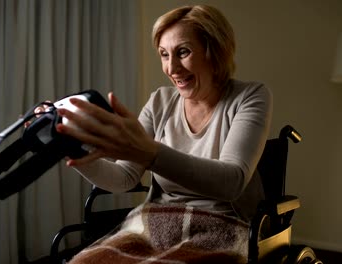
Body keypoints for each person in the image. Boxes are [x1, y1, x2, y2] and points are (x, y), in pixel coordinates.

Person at [46, 4, 272, 263]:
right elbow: (124, 178)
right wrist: (70, 146)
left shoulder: (250, 96)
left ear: (215, 52)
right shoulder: (160, 102)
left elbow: (232, 183)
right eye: (164, 54)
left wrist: (150, 153)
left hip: (224, 226)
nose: (171, 68)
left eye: (183, 52)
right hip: (157, 223)